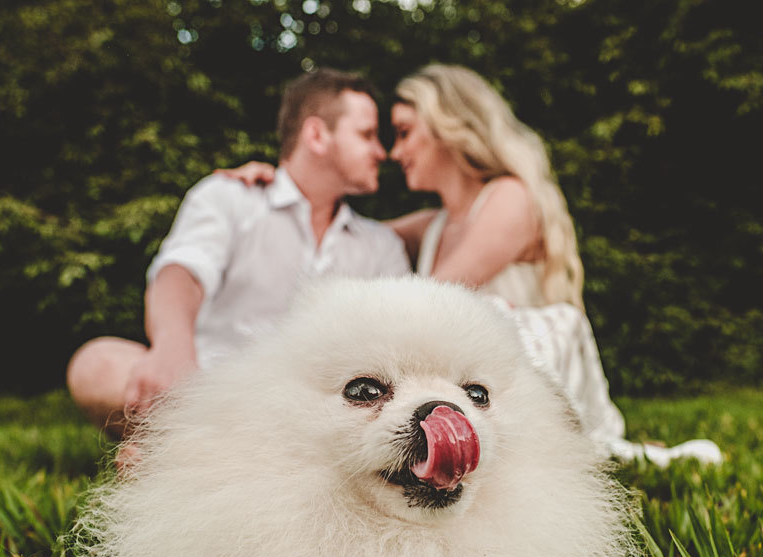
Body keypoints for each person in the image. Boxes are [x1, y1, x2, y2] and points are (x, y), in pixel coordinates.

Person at [225, 65, 722, 467]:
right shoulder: (434, 224)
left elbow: (436, 307)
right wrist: (282, 186)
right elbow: (345, 228)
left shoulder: (510, 198)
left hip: (518, 374)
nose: (395, 152)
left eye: (404, 133)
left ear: (450, 129)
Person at [66, 68, 410, 437]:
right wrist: (171, 346)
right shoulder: (229, 197)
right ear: (316, 135)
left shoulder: (380, 245)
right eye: (366, 135)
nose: (381, 152)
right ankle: (201, 439)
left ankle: (177, 449)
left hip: (321, 413)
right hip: (205, 390)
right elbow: (181, 273)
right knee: (96, 363)